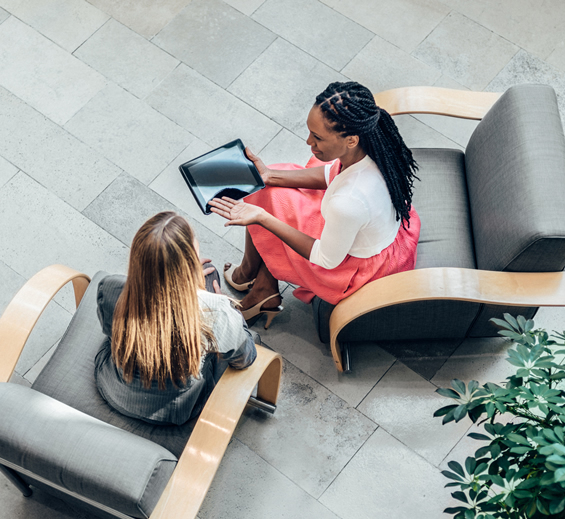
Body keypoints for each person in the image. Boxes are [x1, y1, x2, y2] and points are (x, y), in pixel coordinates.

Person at [209, 81, 421, 328]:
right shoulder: (370, 147)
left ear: (351, 139)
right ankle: (256, 278)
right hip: (368, 232)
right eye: (310, 131)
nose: (309, 142)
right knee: (272, 183)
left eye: (318, 137)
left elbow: (326, 259)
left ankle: (256, 283)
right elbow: (330, 174)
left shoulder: (349, 200)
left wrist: (262, 218)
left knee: (268, 209)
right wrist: (269, 175)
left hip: (351, 268)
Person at [94, 211, 257, 425]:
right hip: (174, 411)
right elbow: (245, 358)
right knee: (211, 274)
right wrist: (223, 304)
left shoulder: (111, 287)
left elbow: (109, 332)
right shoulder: (216, 312)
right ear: (188, 263)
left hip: (112, 387)